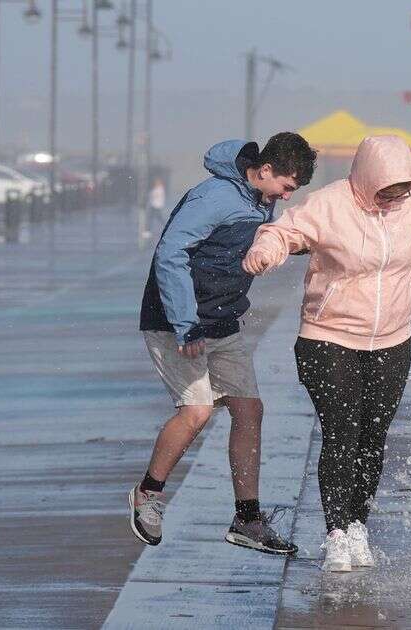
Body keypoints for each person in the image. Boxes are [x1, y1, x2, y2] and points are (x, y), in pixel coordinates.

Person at [242, 135, 411, 572]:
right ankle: (337, 534)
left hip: (392, 341)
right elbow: (282, 231)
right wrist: (265, 251)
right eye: (387, 189)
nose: (395, 197)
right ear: (366, 179)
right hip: (328, 337)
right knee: (341, 434)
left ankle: (359, 525)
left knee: (372, 438)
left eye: (402, 188)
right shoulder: (330, 204)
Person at [131, 132, 317, 555]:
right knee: (196, 411)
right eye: (286, 187)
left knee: (249, 409)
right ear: (265, 170)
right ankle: (148, 494)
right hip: (177, 323)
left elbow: (253, 240)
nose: (285, 198)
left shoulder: (259, 198)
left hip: (222, 321)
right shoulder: (214, 196)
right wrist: (185, 323)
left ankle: (247, 521)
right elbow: (169, 254)